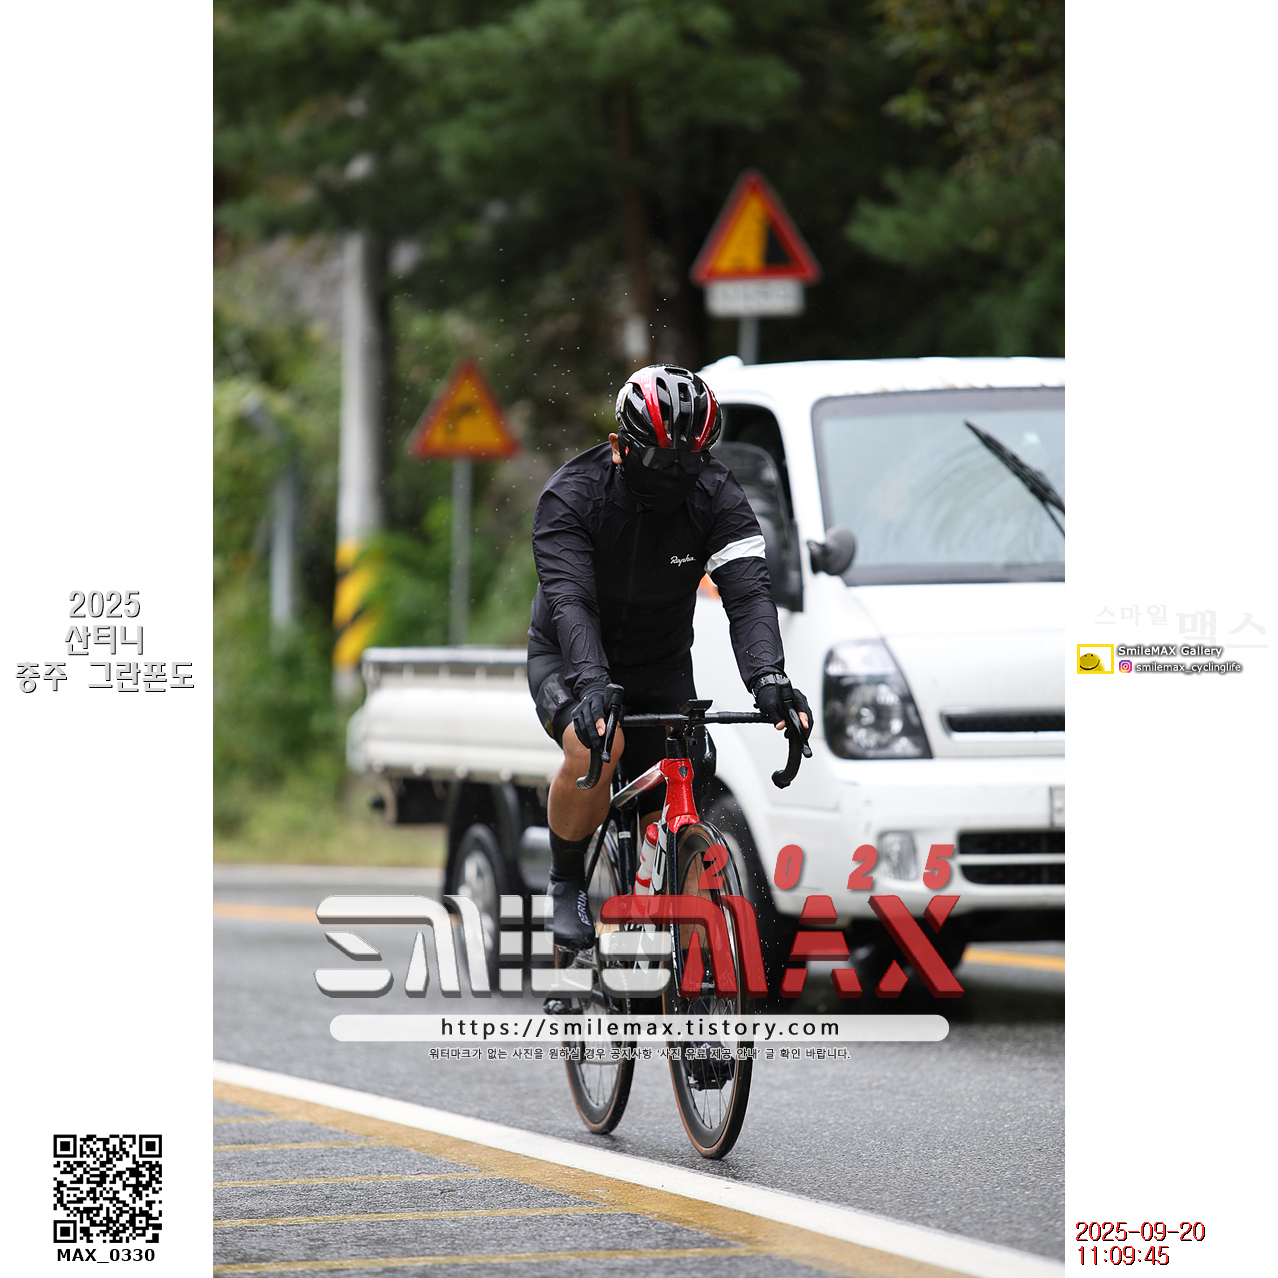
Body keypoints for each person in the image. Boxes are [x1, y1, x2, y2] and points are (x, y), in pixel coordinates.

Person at [527, 364, 812, 949]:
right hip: (570, 657)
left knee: (689, 767)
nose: (678, 474)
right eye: (661, 460)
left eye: (693, 459)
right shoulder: (571, 497)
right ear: (620, 447)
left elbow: (748, 595)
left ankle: (667, 924)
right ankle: (566, 881)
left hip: (660, 662)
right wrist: (593, 683)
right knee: (598, 746)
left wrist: (769, 677)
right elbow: (572, 602)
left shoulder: (718, 495)